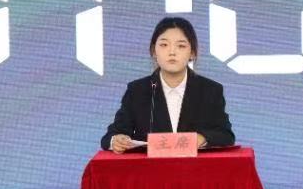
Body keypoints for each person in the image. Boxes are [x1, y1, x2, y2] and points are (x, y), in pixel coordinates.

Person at [100, 17, 235, 153]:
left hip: (194, 165)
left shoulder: (210, 90)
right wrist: (116, 140)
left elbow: (226, 135)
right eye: (164, 45)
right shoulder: (137, 90)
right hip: (150, 166)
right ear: (154, 51)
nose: (172, 52)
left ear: (192, 53)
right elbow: (111, 135)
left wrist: (202, 138)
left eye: (181, 46)